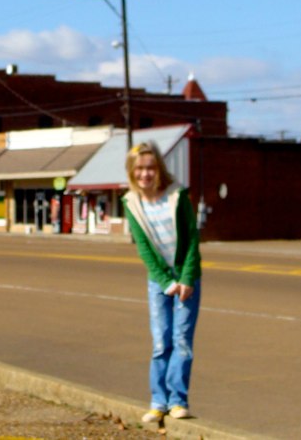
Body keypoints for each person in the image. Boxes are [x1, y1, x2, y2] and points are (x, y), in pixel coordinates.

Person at [123, 142, 202, 424]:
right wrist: (167, 282)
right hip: (159, 281)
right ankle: (158, 401)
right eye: (140, 168)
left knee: (182, 341)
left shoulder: (176, 196)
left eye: (150, 167)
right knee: (161, 342)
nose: (145, 173)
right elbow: (143, 248)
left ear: (159, 169)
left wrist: (186, 278)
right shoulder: (131, 202)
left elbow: (192, 238)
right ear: (132, 172)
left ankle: (178, 401)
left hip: (186, 279)